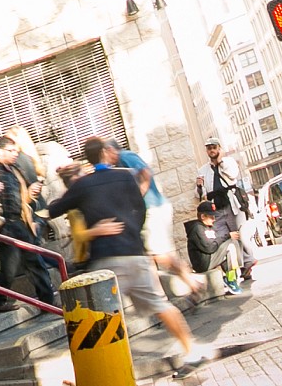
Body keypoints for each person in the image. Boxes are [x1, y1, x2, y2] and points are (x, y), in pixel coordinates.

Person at [49, 136, 209, 373]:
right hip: (135, 252)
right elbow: (140, 208)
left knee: (97, 314)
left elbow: (53, 210)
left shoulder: (82, 186)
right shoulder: (124, 176)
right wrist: (132, 231)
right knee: (160, 304)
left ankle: (95, 372)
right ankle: (192, 351)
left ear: (87, 158)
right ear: (105, 152)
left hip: (106, 260)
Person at [0, 134, 59, 311]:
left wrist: (30, 193)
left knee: (28, 261)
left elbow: (21, 199)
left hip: (19, 222)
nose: (15, 154)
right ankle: (0, 301)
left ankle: (44, 302)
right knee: (16, 264)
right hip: (2, 225)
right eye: (11, 151)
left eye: (17, 151)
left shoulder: (15, 170)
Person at [109, 140, 195, 295]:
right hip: (153, 208)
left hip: (152, 208)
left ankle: (192, 284)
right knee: (152, 255)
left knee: (159, 255)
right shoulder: (121, 162)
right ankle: (164, 294)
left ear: (110, 150)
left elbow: (146, 172)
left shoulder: (125, 155)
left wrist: (139, 196)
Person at [195, 138, 257, 284]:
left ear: (219, 148)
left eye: (214, 147)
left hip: (232, 204)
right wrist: (199, 186)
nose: (212, 150)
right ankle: (232, 271)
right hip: (215, 207)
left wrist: (220, 161)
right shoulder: (203, 170)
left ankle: (247, 264)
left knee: (240, 235)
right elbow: (198, 194)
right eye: (209, 148)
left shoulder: (228, 162)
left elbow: (232, 175)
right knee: (223, 238)